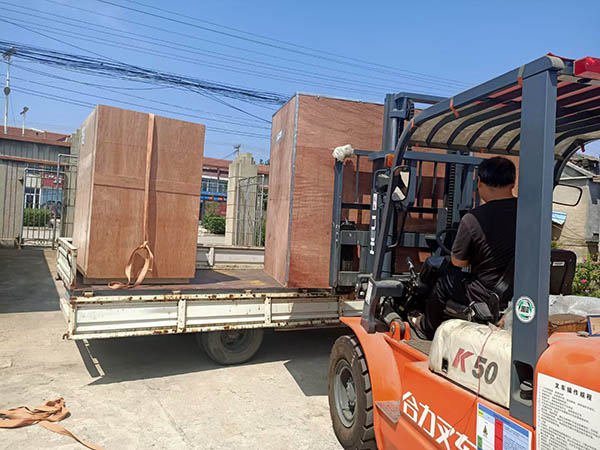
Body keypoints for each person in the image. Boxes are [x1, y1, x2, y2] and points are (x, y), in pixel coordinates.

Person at [411, 156, 518, 340]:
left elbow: (458, 261)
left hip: (486, 294)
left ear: (480, 182)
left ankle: (426, 328)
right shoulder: (530, 213)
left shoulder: (474, 218)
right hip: (520, 290)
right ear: (513, 183)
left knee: (444, 281)